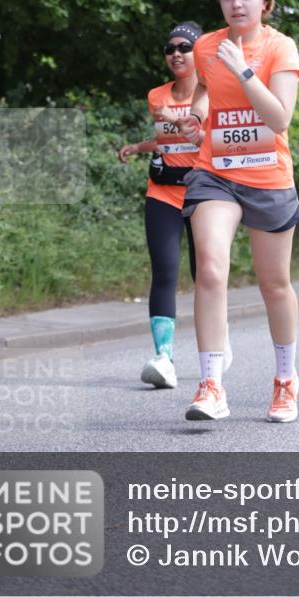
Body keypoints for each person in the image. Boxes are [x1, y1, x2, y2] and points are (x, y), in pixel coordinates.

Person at [177, 0, 299, 423]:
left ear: (264, 2)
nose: (236, 3)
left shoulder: (280, 48)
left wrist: (246, 71)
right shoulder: (207, 47)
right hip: (216, 173)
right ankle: (211, 385)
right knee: (210, 270)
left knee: (274, 284)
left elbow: (280, 118)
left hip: (268, 176)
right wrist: (198, 115)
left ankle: (286, 381)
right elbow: (204, 90)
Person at [118, 22, 231, 389]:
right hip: (162, 191)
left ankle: (219, 338)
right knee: (165, 271)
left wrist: (184, 123)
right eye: (170, 48)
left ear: (199, 52)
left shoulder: (215, 93)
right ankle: (163, 357)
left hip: (204, 192)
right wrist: (140, 146)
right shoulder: (157, 95)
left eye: (185, 47)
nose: (177, 54)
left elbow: (212, 142)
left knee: (206, 275)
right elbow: (168, 140)